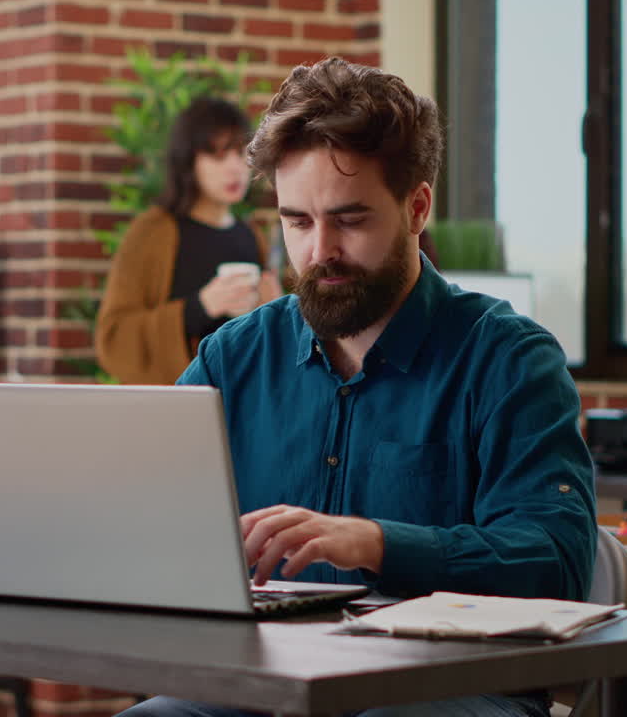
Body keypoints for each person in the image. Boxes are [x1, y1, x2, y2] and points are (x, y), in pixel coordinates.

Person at [119, 59, 595, 717]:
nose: (319, 252)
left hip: (446, 690)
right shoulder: (234, 359)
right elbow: (140, 513)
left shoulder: (510, 361)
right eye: (298, 222)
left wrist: (378, 542)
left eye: (350, 220)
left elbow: (555, 562)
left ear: (417, 207)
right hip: (266, 688)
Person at [95, 97, 282, 385]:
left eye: (241, 153)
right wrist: (200, 307)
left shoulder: (251, 235)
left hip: (240, 403)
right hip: (174, 409)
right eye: (219, 156)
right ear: (189, 161)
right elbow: (113, 339)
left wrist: (273, 310)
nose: (235, 168)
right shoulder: (153, 232)